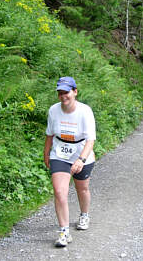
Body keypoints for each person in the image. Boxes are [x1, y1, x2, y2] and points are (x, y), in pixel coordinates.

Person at [44, 76, 96, 248]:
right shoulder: (53, 110)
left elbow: (90, 140)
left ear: (74, 92)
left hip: (82, 153)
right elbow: (50, 134)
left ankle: (84, 214)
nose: (63, 96)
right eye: (59, 93)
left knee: (82, 189)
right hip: (59, 154)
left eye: (66, 92)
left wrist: (81, 159)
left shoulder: (85, 111)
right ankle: (64, 232)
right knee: (59, 192)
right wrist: (46, 154)